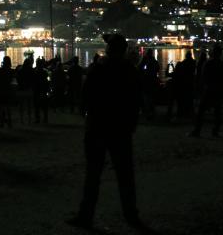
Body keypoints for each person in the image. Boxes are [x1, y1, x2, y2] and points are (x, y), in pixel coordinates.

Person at [68, 34, 142, 229]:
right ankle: (131, 214)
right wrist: (131, 123)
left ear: (109, 49)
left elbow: (85, 96)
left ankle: (86, 215)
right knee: (125, 174)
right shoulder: (130, 71)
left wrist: (86, 113)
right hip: (121, 128)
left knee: (93, 173)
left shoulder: (98, 69)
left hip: (97, 126)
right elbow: (136, 101)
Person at [189, 45, 223, 137]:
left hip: (209, 89)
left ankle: (197, 130)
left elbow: (203, 77)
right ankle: (215, 131)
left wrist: (201, 88)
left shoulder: (208, 63)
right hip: (218, 90)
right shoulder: (222, 64)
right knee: (217, 112)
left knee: (201, 111)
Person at [139, 49, 159, 119]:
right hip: (152, 81)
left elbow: (140, 68)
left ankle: (147, 111)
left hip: (147, 81)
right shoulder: (154, 61)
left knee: (146, 96)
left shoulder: (145, 60)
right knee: (151, 96)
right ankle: (151, 111)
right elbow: (157, 69)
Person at [0, 56, 15, 128]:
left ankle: (2, 122)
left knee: (1, 107)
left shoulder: (0, 70)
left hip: (1, 90)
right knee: (7, 107)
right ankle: (9, 122)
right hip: (8, 90)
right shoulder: (11, 71)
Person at [16, 56, 35, 124]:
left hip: (21, 90)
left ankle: (21, 119)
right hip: (29, 89)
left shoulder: (20, 70)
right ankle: (29, 120)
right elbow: (33, 80)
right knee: (29, 106)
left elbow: (18, 79)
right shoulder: (32, 70)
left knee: (21, 106)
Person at [33, 57, 50, 123]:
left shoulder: (35, 72)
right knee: (44, 106)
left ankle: (37, 119)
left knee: (37, 106)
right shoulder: (45, 72)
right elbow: (46, 81)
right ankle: (45, 118)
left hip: (37, 90)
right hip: (43, 90)